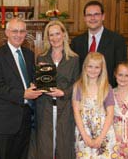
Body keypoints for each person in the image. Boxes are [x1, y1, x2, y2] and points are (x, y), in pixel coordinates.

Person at [0, 17, 42, 159]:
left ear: (26, 33)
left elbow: (32, 80)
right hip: (5, 122)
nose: (18, 35)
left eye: (22, 31)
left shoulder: (29, 55)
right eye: (14, 31)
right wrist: (23, 94)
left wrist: (35, 86)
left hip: (26, 119)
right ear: (7, 32)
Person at [34, 20, 79, 159]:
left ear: (64, 35)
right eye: (51, 35)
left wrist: (63, 92)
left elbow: (77, 84)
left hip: (65, 108)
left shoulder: (74, 59)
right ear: (48, 38)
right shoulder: (41, 57)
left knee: (64, 146)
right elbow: (37, 83)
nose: (55, 38)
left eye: (57, 34)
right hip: (45, 108)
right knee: (45, 147)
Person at [71, 0, 127, 87]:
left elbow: (120, 70)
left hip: (108, 92)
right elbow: (74, 70)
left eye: (96, 14)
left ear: (103, 16)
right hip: (83, 91)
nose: (92, 18)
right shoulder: (76, 42)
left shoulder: (117, 40)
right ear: (84, 18)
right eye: (89, 15)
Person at [72, 52, 118, 158]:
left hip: (104, 133)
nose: (93, 70)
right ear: (85, 67)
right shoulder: (78, 87)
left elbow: (110, 114)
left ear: (102, 69)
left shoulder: (107, 88)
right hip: (84, 132)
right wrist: (85, 136)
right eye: (90, 66)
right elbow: (76, 112)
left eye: (97, 67)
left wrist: (101, 137)